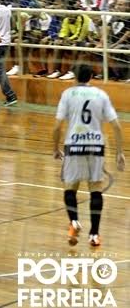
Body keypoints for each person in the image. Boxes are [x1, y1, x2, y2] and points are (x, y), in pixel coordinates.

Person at [52, 65, 125, 247]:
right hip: (95, 146)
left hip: (74, 145)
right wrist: (119, 152)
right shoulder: (101, 94)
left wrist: (55, 148)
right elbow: (116, 126)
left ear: (74, 76)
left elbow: (57, 126)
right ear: (91, 76)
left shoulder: (67, 94)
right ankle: (94, 234)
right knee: (95, 189)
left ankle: (74, 221)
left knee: (70, 187)